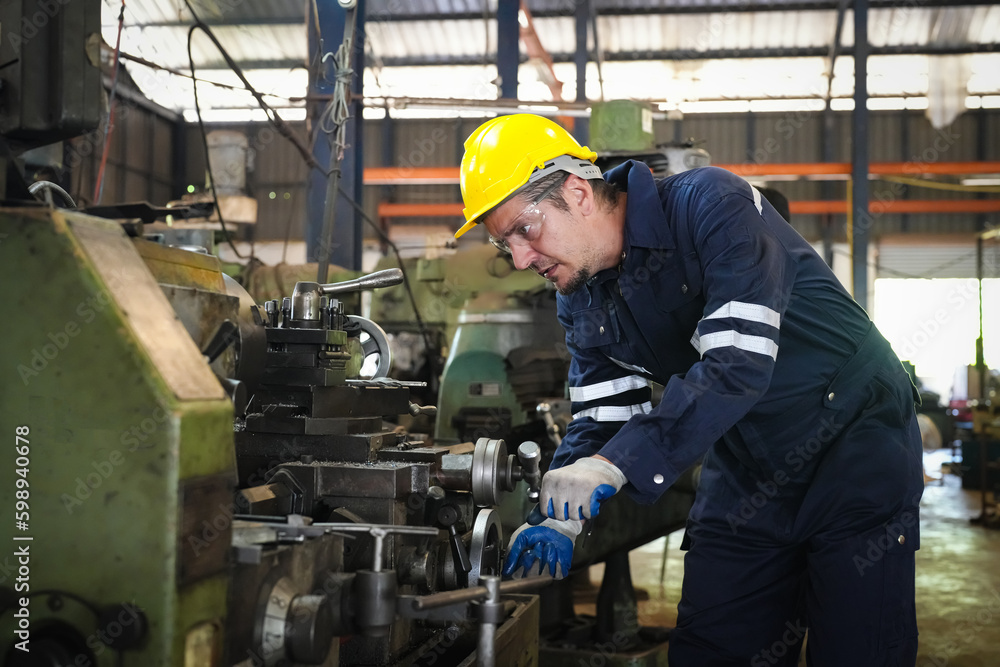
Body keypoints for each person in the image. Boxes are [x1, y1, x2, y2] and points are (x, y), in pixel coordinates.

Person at [454, 114, 923, 666]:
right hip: (748, 458)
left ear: (577, 192)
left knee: (855, 646)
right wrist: (562, 512)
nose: (521, 260)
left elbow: (737, 364)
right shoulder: (580, 294)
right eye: (504, 245)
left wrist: (614, 467)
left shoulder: (711, 205)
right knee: (714, 645)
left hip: (854, 440)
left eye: (524, 231)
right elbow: (604, 415)